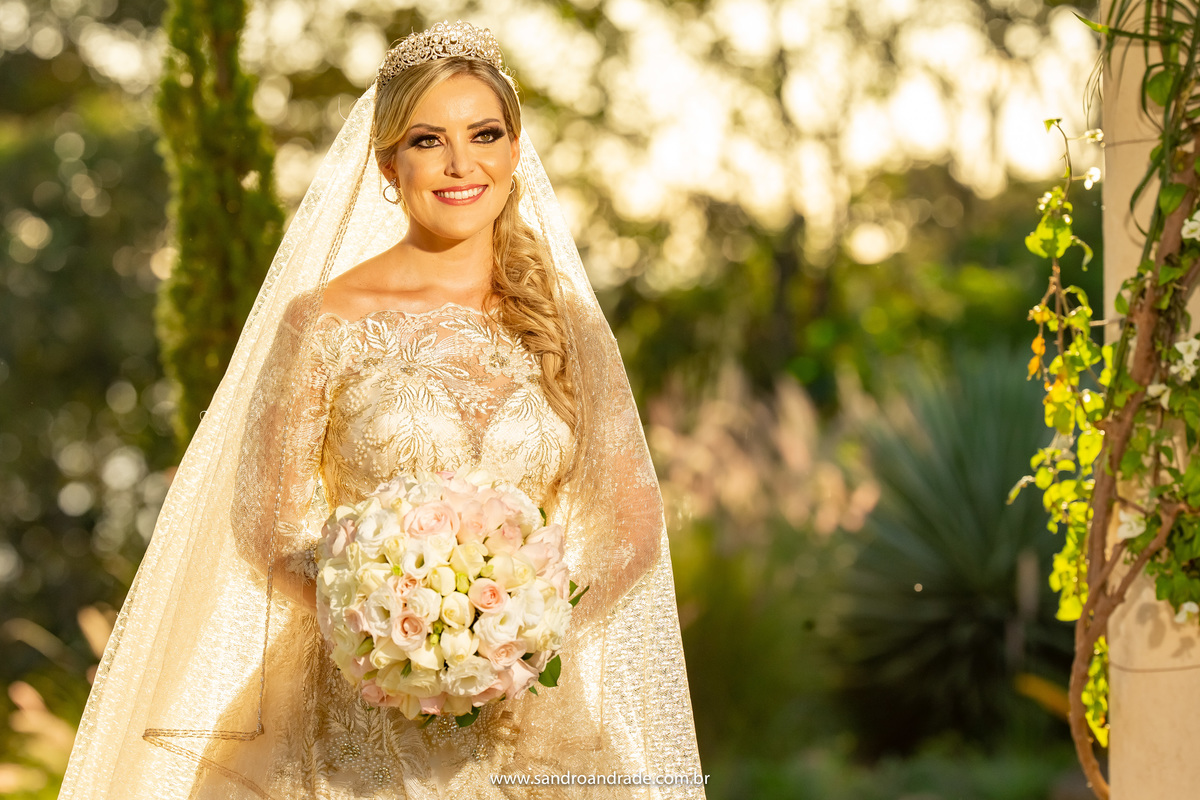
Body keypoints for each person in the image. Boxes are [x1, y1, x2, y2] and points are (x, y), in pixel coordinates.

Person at [58, 20, 705, 799]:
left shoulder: (566, 323)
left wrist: (519, 633)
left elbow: (632, 525)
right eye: (429, 141)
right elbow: (263, 524)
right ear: (388, 164)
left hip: (528, 725)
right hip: (346, 725)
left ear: (513, 152)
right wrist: (375, 619)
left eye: (485, 134)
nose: (461, 164)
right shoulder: (322, 319)